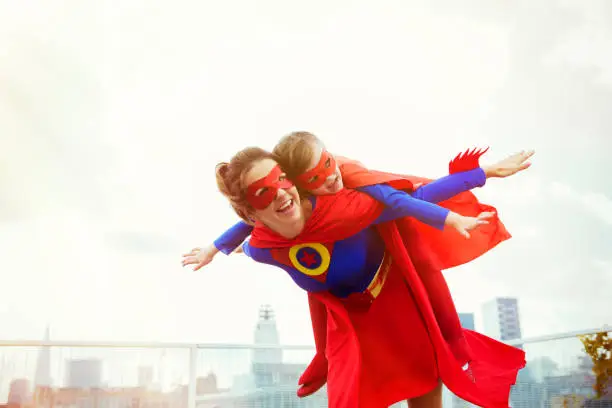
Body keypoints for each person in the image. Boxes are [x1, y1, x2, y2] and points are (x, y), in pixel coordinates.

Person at [183, 132, 533, 398]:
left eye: (281, 180)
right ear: (252, 212)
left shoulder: (349, 208)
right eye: (263, 192)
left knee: (426, 380)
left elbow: (415, 197)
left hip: (395, 299)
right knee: (350, 396)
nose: (280, 194)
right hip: (350, 323)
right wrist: (218, 248)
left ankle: (455, 340)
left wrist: (483, 173)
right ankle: (322, 356)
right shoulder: (262, 247)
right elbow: (248, 231)